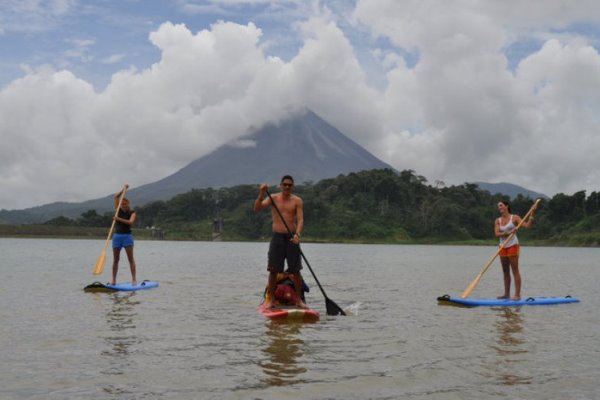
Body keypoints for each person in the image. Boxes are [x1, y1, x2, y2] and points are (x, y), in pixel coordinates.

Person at [254, 175, 306, 308]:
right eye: (285, 184)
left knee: (295, 271)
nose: (287, 187)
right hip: (277, 238)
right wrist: (261, 192)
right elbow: (257, 208)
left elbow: (300, 220)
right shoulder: (273, 198)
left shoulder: (297, 200)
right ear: (281, 185)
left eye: (290, 185)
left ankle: (299, 300)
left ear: (292, 186)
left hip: (292, 238)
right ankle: (271, 300)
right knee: (273, 271)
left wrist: (297, 235)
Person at [495, 200, 536, 300]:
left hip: (513, 245)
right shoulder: (498, 220)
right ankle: (506, 294)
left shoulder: (515, 217)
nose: (499, 207)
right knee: (505, 271)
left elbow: (527, 226)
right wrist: (508, 233)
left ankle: (517, 295)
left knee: (515, 270)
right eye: (498, 206)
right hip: (502, 246)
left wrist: (532, 213)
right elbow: (497, 234)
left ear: (506, 206)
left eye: (501, 205)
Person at [111, 185, 138, 285]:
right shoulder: (118, 209)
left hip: (127, 237)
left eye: (125, 204)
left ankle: (134, 279)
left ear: (128, 204)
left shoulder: (132, 212)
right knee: (116, 260)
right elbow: (116, 197)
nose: (124, 205)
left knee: (130, 259)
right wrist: (123, 190)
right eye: (122, 204)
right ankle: (113, 280)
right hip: (117, 237)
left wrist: (118, 219)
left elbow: (130, 222)